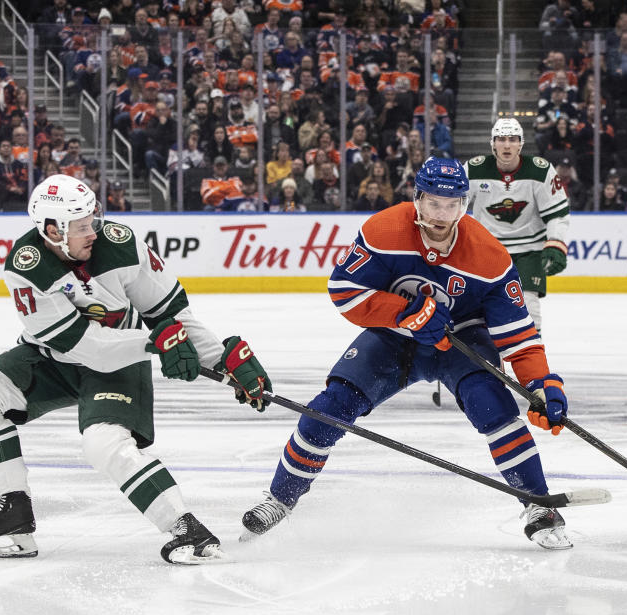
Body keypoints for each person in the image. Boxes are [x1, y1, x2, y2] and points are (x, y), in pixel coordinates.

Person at [239, 157, 573, 550]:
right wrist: (404, 314)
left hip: (459, 341)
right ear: (417, 199)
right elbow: (344, 291)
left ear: (464, 205)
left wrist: (541, 383)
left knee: (495, 409)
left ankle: (538, 503)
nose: (442, 215)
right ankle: (280, 498)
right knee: (328, 408)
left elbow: (518, 336)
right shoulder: (383, 231)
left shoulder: (490, 257)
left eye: (453, 205)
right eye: (434, 203)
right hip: (394, 338)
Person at [0, 174, 273, 564]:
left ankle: (187, 529)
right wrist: (153, 343)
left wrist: (222, 359)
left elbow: (169, 314)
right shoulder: (27, 267)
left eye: (93, 220)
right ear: (52, 230)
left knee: (104, 444)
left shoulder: (122, 245)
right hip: (54, 357)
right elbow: (83, 345)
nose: (93, 232)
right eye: (81, 226)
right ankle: (14, 515)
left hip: (118, 363)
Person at [463, 118, 570, 330]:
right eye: (501, 139)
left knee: (529, 306)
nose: (507, 145)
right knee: (481, 307)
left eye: (512, 139)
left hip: (529, 250)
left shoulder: (541, 170)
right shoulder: (474, 169)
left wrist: (556, 243)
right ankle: (491, 357)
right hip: (488, 249)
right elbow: (452, 209)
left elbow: (557, 213)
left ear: (521, 143)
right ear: (492, 143)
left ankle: (533, 359)